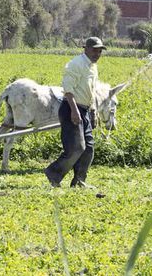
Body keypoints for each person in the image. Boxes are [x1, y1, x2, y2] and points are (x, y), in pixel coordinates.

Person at [45, 36, 106, 189]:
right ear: (85, 48)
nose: (97, 54)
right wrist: (74, 111)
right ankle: (53, 173)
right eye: (94, 50)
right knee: (77, 147)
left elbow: (90, 91)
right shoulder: (76, 64)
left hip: (84, 110)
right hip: (71, 108)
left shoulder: (93, 67)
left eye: (99, 51)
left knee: (89, 148)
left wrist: (93, 112)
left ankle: (79, 180)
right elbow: (68, 89)